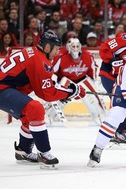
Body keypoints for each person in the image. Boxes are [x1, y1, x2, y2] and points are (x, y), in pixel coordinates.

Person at [0, 30, 86, 169]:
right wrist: (71, 92)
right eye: (56, 49)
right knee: (36, 108)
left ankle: (23, 151)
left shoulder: (33, 53)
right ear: (47, 47)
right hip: (3, 89)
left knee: (31, 115)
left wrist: (67, 91)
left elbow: (45, 85)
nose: (57, 52)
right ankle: (44, 153)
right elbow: (47, 94)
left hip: (8, 88)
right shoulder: (40, 61)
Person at [44, 38, 105, 125]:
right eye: (73, 46)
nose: (75, 49)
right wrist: (53, 84)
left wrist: (95, 84)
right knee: (60, 96)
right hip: (65, 82)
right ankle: (48, 115)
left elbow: (93, 72)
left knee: (93, 97)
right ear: (68, 47)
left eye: (77, 46)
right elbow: (52, 72)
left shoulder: (88, 56)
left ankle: (99, 115)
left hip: (82, 81)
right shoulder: (60, 56)